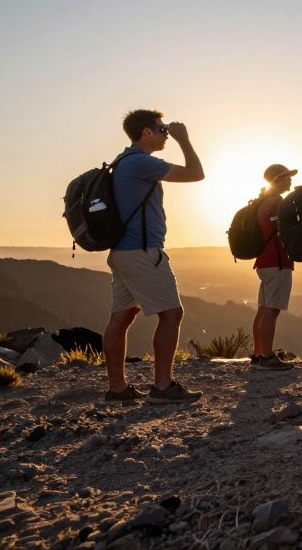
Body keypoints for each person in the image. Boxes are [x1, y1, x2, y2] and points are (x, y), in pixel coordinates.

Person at [104, 109, 206, 404]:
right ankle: (162, 387)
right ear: (146, 132)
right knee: (171, 314)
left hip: (122, 251)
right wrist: (184, 140)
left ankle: (117, 389)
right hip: (142, 251)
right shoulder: (140, 162)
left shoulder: (122, 161)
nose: (165, 133)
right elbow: (196, 174)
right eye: (161, 128)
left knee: (121, 316)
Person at [250, 164, 296, 371]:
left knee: (263, 309)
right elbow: (289, 228)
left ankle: (259, 354)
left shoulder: (263, 202)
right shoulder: (277, 202)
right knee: (272, 310)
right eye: (287, 177)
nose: (290, 180)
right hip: (277, 262)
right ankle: (267, 357)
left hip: (264, 261)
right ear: (277, 180)